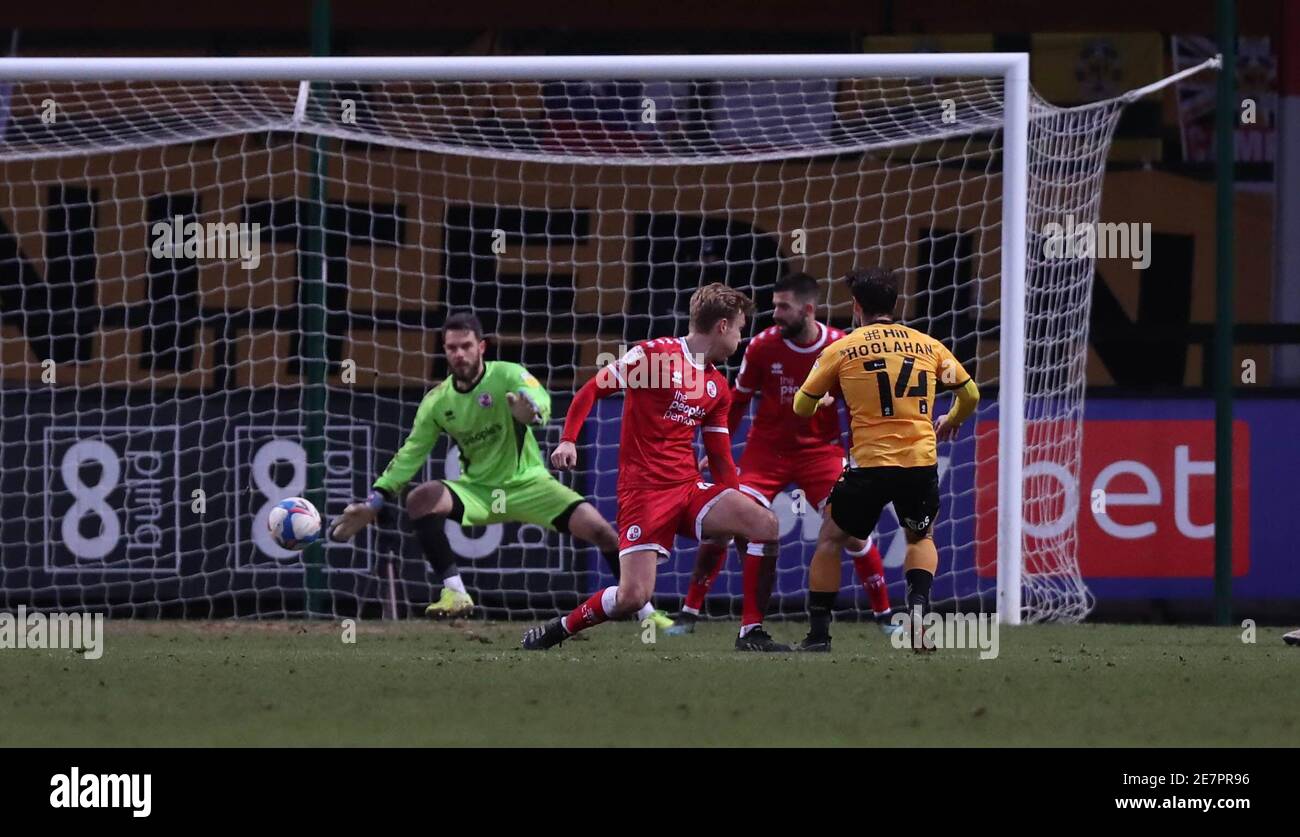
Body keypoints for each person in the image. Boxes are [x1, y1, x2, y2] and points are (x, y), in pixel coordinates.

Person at [792, 268, 980, 652]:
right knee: (920, 535)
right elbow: (971, 394)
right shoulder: (928, 345)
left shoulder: (842, 347)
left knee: (830, 538)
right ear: (895, 304)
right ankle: (917, 617)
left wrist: (827, 400)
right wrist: (951, 420)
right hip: (919, 462)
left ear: (856, 306)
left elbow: (801, 406)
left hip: (869, 465)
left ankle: (818, 636)